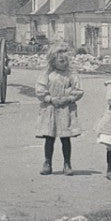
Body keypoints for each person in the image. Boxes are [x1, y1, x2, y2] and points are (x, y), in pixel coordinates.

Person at [35, 45, 84, 175]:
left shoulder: (71, 75)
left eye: (66, 60)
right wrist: (50, 99)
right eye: (61, 61)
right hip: (50, 109)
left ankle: (67, 163)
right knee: (49, 137)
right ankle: (47, 162)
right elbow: (40, 90)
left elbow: (78, 91)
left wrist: (68, 98)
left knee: (65, 137)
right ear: (53, 61)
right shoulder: (47, 74)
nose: (64, 63)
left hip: (65, 109)